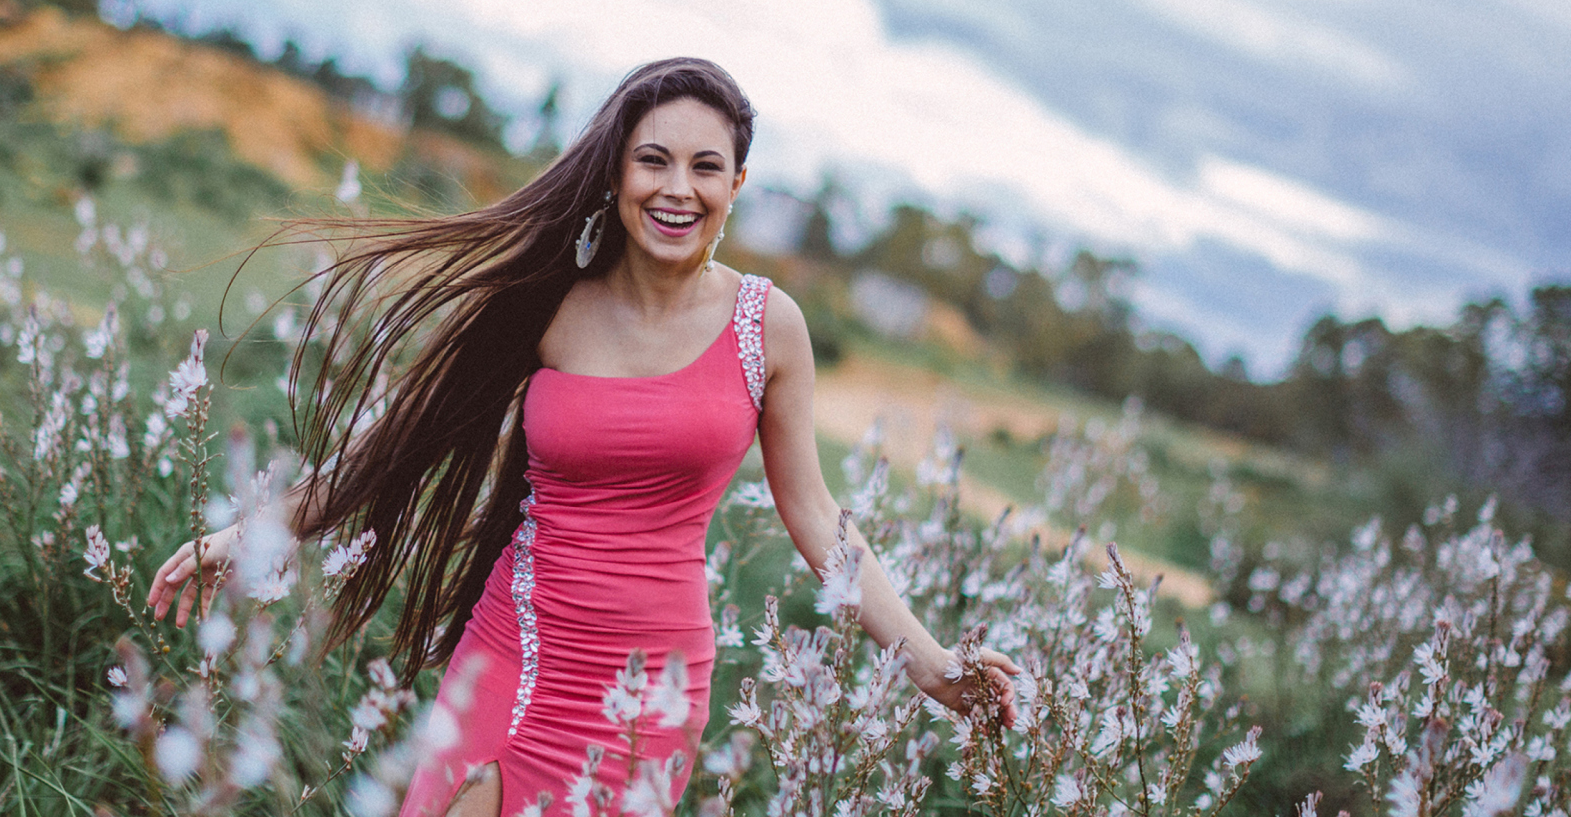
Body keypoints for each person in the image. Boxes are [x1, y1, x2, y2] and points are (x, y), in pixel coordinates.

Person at [148, 58, 1019, 817]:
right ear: (615, 173)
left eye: (705, 168)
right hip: (519, 650)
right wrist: (251, 531)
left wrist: (931, 665)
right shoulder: (548, 304)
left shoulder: (768, 327)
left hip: (653, 690)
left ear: (736, 188)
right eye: (654, 161)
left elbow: (816, 515)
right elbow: (401, 438)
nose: (678, 188)